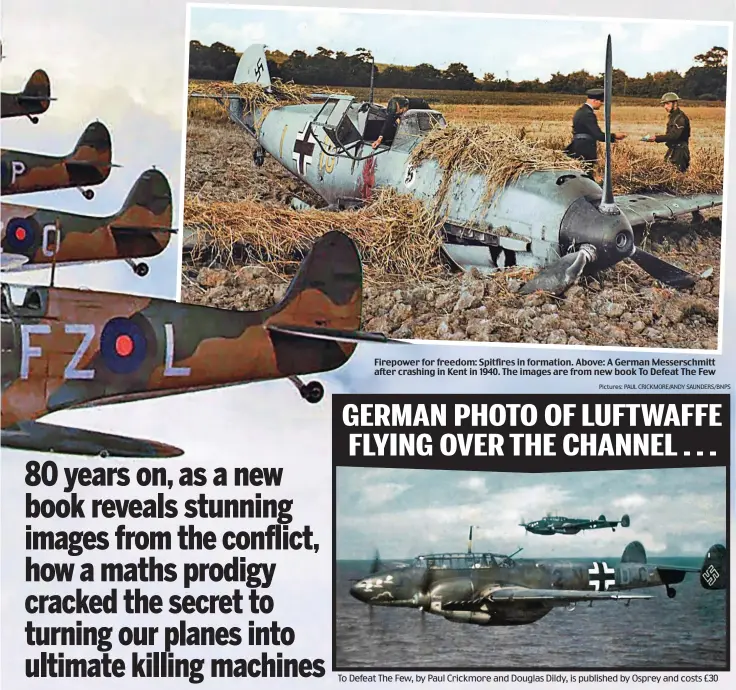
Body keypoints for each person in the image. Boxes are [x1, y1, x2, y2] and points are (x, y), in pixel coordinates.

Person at [564, 87, 626, 174]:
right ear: (594, 101)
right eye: (601, 101)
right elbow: (598, 135)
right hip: (585, 149)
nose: (601, 104)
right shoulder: (588, 114)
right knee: (586, 175)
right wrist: (615, 136)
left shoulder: (581, 111)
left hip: (578, 146)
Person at [641, 92, 690, 172]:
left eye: (667, 104)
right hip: (672, 149)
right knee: (666, 173)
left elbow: (674, 136)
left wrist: (656, 138)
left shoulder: (680, 118)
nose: (665, 107)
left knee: (677, 178)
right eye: (664, 104)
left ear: (675, 103)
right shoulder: (673, 116)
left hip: (680, 152)